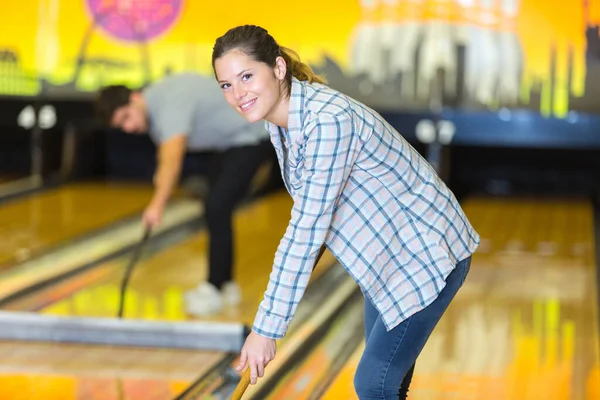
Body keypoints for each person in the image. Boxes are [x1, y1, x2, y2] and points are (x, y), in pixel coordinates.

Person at [211, 25, 480, 399]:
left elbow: (307, 228)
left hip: (425, 254)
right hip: (388, 259)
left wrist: (266, 329)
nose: (238, 94)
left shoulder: (327, 120)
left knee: (374, 384)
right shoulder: (284, 125)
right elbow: (316, 221)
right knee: (387, 385)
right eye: (226, 85)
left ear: (277, 68)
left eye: (246, 76)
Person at [95, 72, 277, 316]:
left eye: (126, 118)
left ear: (135, 97)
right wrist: (160, 181)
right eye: (121, 126)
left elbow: (172, 158)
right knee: (216, 209)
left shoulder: (168, 104)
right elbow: (164, 157)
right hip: (230, 144)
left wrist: (156, 205)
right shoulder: (155, 108)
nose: (129, 128)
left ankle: (215, 287)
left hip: (254, 135)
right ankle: (225, 284)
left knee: (217, 206)